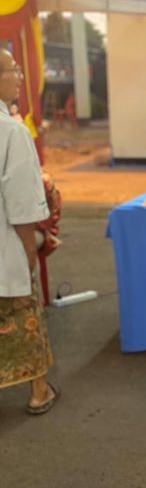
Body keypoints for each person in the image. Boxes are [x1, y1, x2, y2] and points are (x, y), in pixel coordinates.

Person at [0, 48, 59, 414]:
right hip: (5, 247)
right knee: (24, 316)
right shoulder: (11, 131)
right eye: (13, 70)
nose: (19, 77)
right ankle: (39, 390)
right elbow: (21, 204)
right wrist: (29, 254)